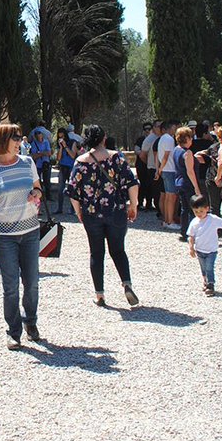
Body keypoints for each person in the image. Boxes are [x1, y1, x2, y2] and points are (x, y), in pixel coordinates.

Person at [0, 123, 43, 349]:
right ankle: (13, 331)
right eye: (15, 138)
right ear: (2, 140)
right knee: (11, 286)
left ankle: (31, 322)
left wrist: (36, 193)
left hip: (31, 232)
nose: (19, 141)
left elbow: (38, 187)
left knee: (32, 282)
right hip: (4, 236)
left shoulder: (28, 163)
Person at [65, 125, 139, 308]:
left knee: (96, 253)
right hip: (116, 210)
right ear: (104, 138)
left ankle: (100, 295)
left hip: (91, 213)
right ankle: (127, 284)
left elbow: (73, 191)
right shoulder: (117, 157)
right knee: (118, 250)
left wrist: (78, 212)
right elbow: (131, 182)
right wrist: (133, 205)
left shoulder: (80, 162)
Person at [187, 197, 222, 296]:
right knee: (203, 268)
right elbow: (191, 236)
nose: (199, 214)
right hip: (199, 250)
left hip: (211, 250)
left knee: (209, 267)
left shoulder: (212, 219)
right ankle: (205, 281)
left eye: (201, 211)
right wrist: (191, 248)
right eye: (196, 211)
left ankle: (210, 285)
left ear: (207, 209)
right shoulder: (194, 222)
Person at [172, 126, 204, 242]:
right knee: (193, 209)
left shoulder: (176, 149)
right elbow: (190, 171)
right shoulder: (187, 152)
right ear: (187, 138)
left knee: (184, 209)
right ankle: (192, 233)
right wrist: (196, 187)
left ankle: (184, 231)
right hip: (188, 183)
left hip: (179, 182)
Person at [154, 119, 178, 226]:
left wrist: (160, 169)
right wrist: (160, 169)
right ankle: (170, 221)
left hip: (166, 169)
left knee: (168, 196)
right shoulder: (169, 138)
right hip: (169, 169)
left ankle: (167, 220)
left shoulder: (162, 138)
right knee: (171, 197)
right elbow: (166, 155)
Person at [137, 122, 161, 211]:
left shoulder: (161, 137)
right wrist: (149, 163)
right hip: (149, 167)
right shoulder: (146, 139)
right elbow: (141, 154)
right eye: (145, 129)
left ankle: (150, 204)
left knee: (154, 189)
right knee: (145, 186)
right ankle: (141, 203)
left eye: (148, 128)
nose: (147, 130)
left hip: (158, 167)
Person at [54, 127, 77, 215]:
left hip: (71, 168)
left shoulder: (72, 142)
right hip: (63, 168)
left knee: (72, 189)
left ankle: (72, 209)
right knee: (60, 189)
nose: (61, 138)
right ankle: (60, 208)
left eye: (63, 136)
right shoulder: (59, 145)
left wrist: (66, 146)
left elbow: (72, 155)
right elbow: (58, 158)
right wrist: (60, 148)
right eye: (60, 137)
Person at [29, 125, 53, 194]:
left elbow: (49, 153)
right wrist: (43, 153)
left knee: (47, 180)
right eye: (37, 134)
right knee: (38, 180)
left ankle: (48, 195)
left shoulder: (46, 142)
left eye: (39, 133)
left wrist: (39, 153)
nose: (38, 135)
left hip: (46, 163)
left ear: (42, 134)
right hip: (38, 165)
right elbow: (34, 156)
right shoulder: (34, 143)